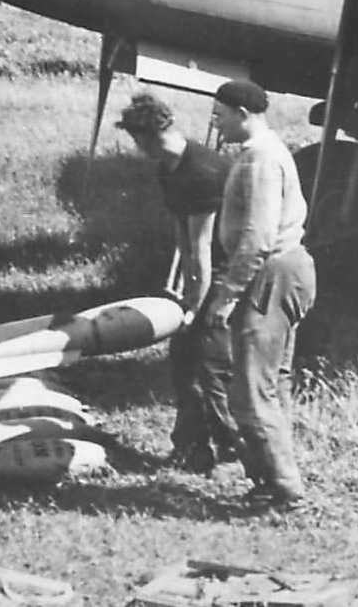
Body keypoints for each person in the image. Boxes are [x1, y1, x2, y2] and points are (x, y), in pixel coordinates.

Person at [205, 80, 316, 509]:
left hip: (270, 274)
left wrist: (228, 294)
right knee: (270, 384)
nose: (215, 121)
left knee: (252, 389)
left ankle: (286, 490)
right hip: (281, 271)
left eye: (220, 114)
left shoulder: (259, 160)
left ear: (242, 114)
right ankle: (272, 480)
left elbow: (257, 236)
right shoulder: (263, 153)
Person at [115, 92, 237, 472]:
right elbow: (182, 238)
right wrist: (179, 290)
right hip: (203, 272)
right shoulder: (169, 169)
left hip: (227, 271)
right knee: (183, 361)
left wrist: (193, 307)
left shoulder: (202, 172)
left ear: (147, 137)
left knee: (212, 365)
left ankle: (235, 450)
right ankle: (192, 449)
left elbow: (202, 248)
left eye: (138, 142)